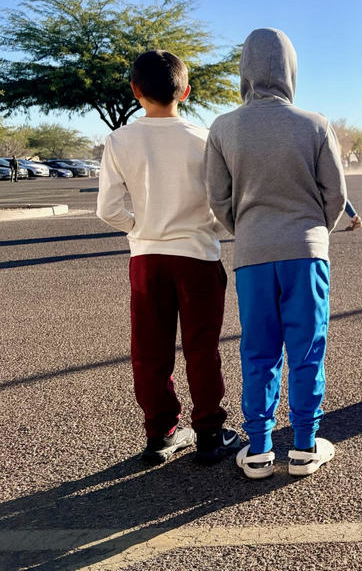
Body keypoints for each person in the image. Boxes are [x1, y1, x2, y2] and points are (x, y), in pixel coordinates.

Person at [206, 28, 347, 479]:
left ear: (243, 70)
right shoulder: (315, 124)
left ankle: (260, 447)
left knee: (258, 351)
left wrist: (246, 230)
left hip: (252, 253)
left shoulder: (223, 127)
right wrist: (313, 232)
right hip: (306, 253)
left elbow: (218, 198)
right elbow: (336, 196)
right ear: (290, 69)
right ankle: (305, 445)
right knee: (307, 349)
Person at [97, 50, 241, 466]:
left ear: (135, 91)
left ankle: (161, 432)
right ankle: (211, 432)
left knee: (149, 349)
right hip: (196, 255)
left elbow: (108, 209)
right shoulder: (203, 138)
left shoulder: (119, 140)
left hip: (147, 257)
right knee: (202, 346)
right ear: (187, 91)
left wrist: (140, 225)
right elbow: (222, 204)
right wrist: (206, 229)